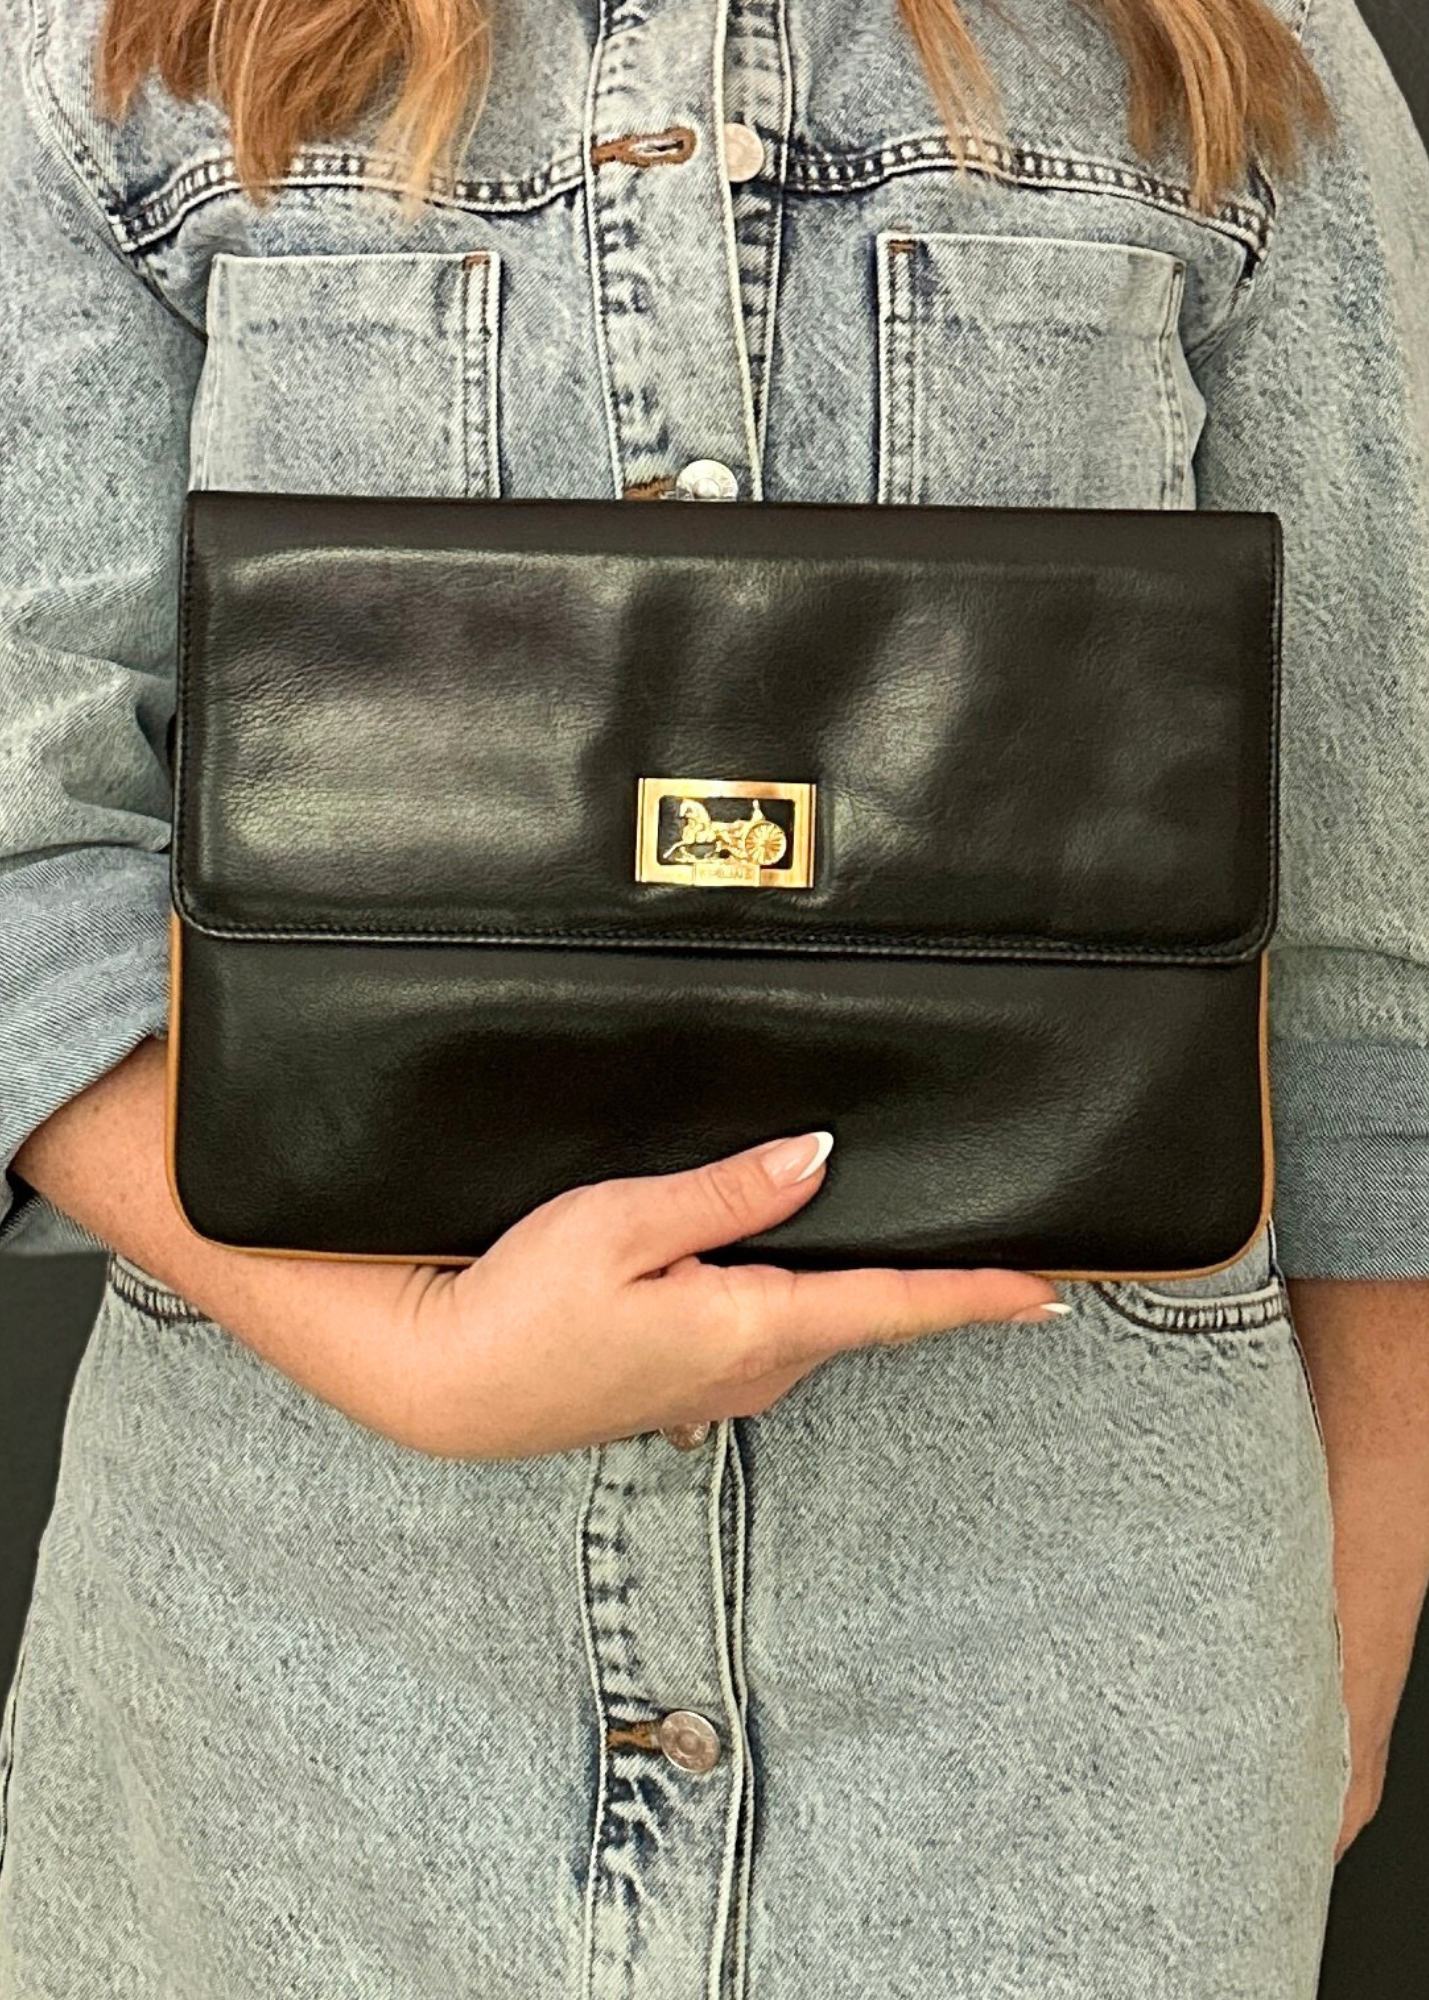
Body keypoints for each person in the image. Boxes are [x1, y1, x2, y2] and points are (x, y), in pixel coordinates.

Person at [2, 0, 1427, 1991]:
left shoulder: (1235, 42)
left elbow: (1377, 914)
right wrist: (406, 1349)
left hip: (1069, 1705)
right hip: (296, 1708)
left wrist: (1367, 1584)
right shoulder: (115, 50)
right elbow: (19, 843)